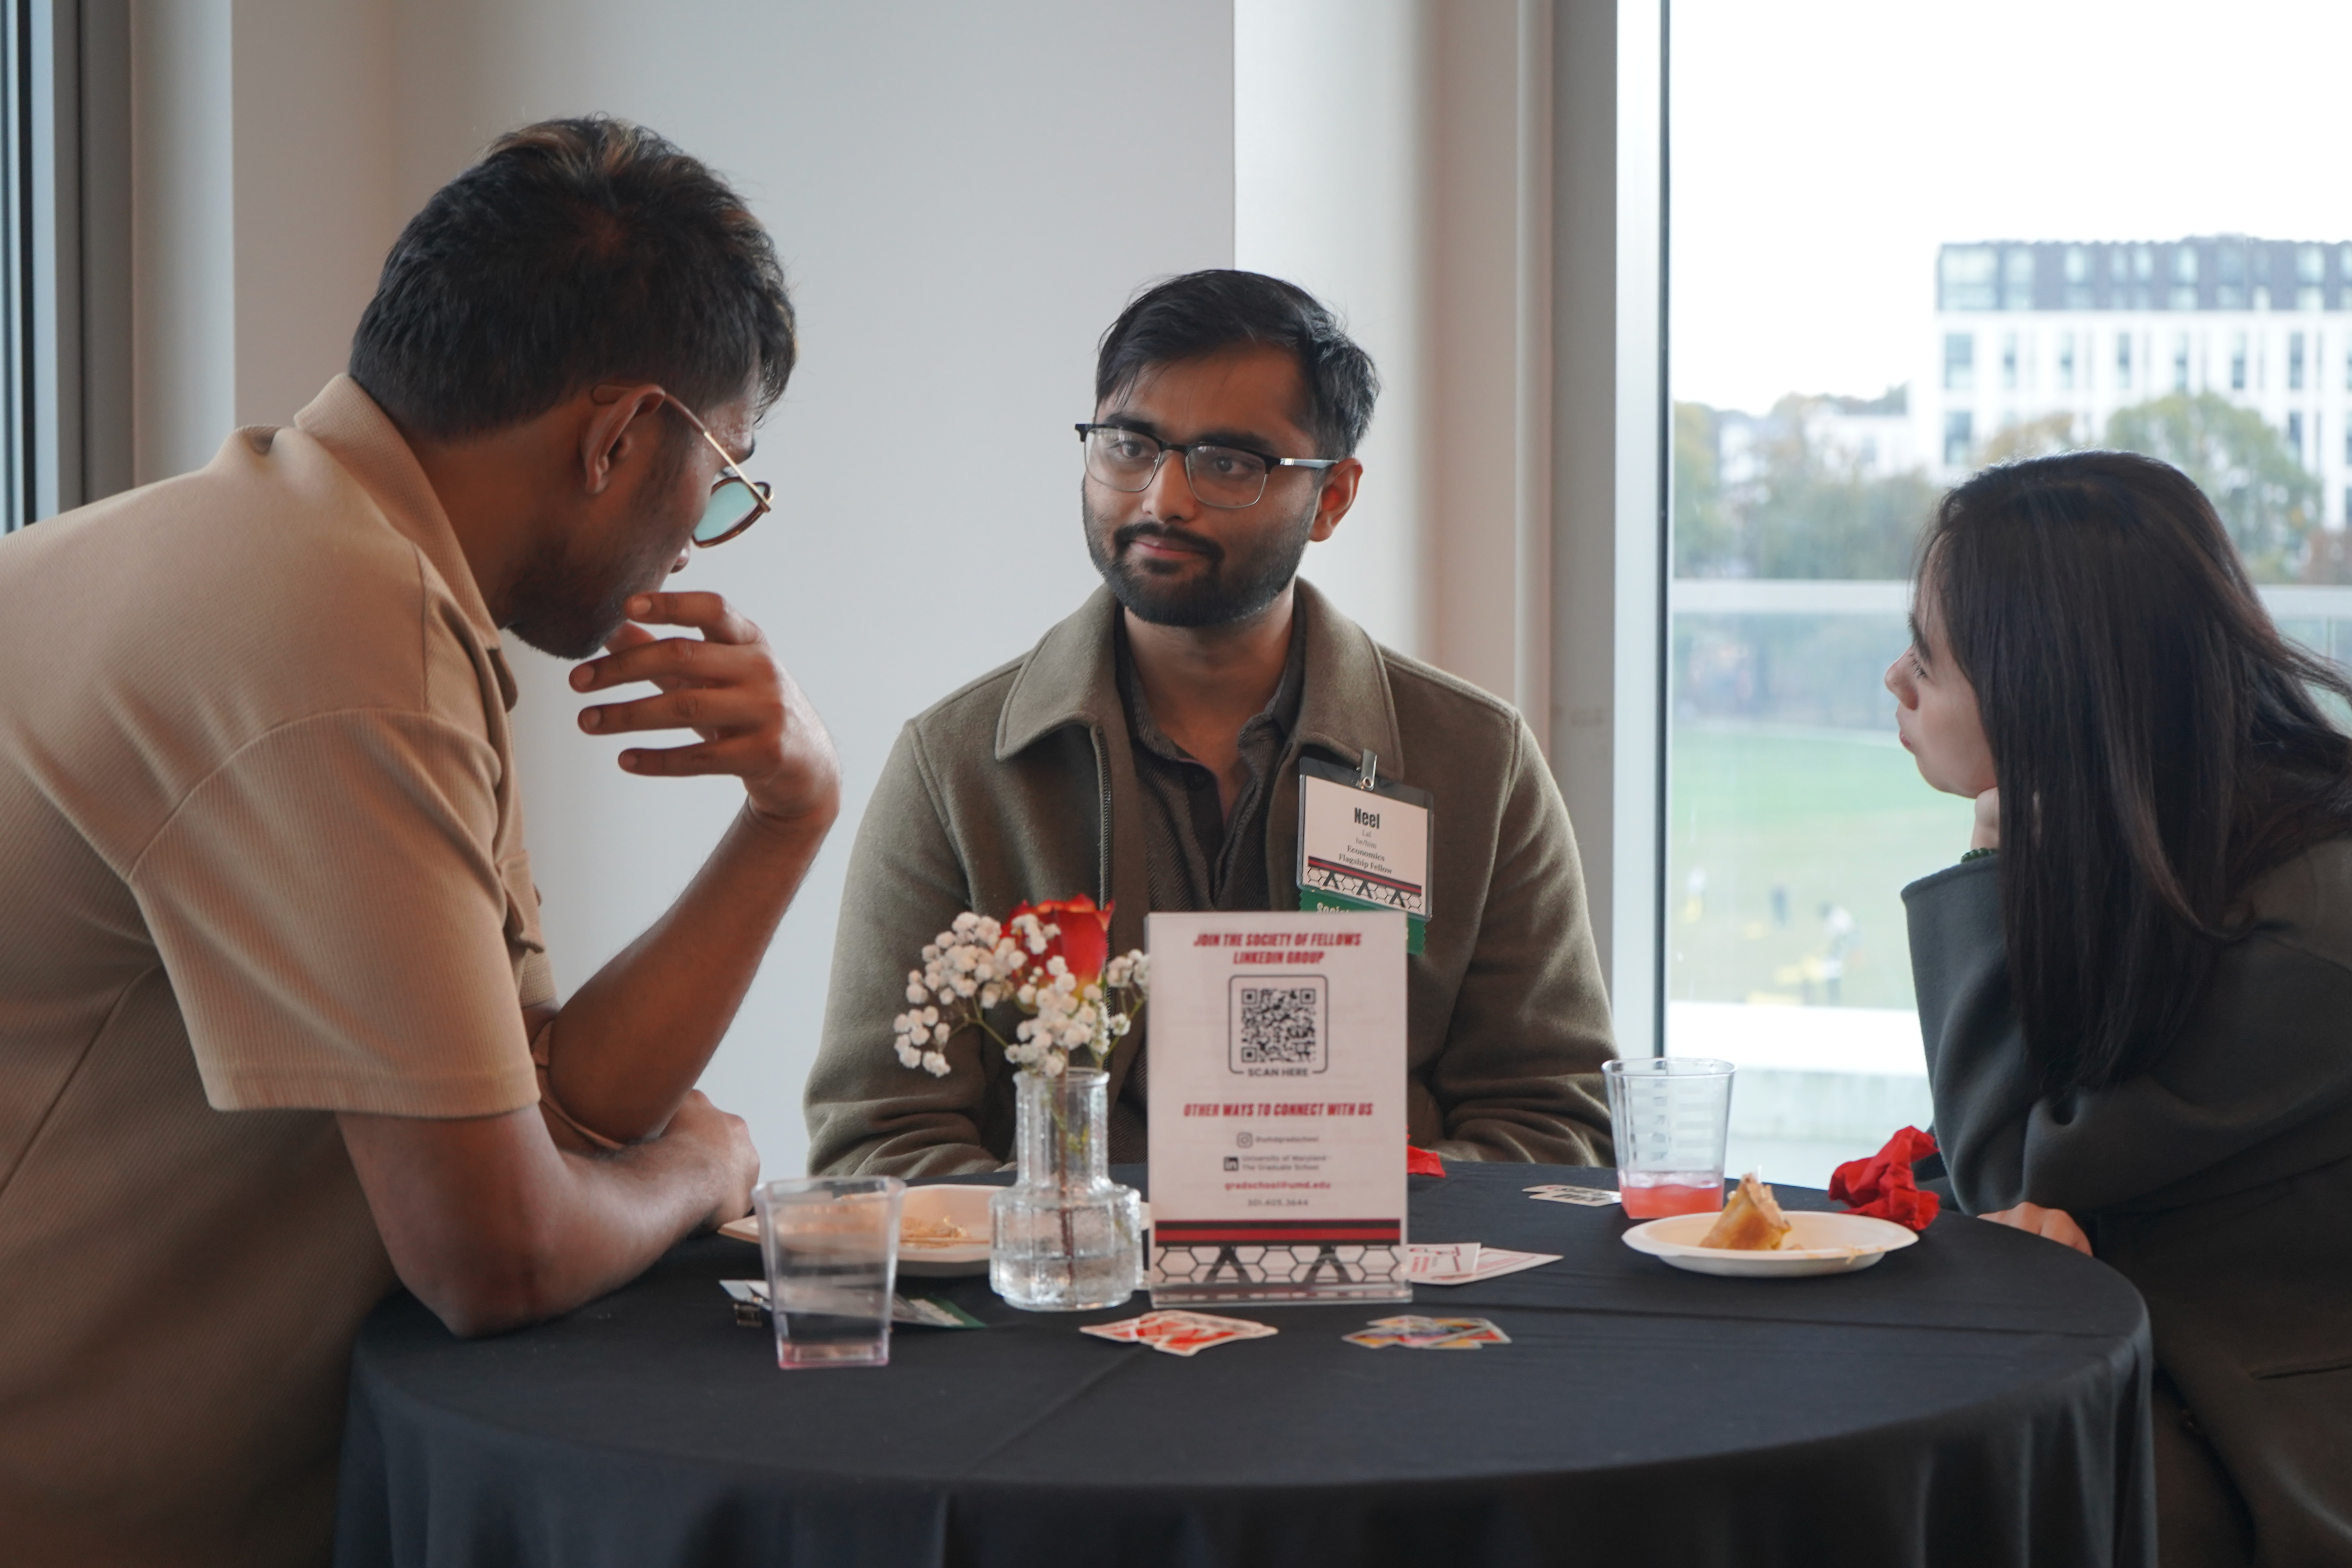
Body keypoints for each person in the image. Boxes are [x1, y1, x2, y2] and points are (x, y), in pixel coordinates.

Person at [0, 119, 837, 1566]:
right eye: (729, 473)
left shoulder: (316, 554)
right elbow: (493, 1256)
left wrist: (790, 813)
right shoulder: (339, 635)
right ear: (622, 435)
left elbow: (551, 1105)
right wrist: (705, 1172)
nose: (702, 536)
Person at [805, 269, 1615, 1175]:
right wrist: (1102, 1234)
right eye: (1129, 446)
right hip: (1069, 1298)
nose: (1162, 499)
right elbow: (876, 1141)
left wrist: (1363, 1196)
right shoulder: (958, 764)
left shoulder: (1476, 761)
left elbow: (1560, 1126)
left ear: (1333, 497)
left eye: (1229, 463)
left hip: (1388, 1293)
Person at [1886, 449, 2352, 1566]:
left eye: (1930, 657)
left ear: (2045, 681)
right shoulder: (2182, 835)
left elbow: (2015, 1167)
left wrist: (1994, 847)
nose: (1896, 682)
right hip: (2166, 1366)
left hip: (2269, 1438)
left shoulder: (2318, 927)